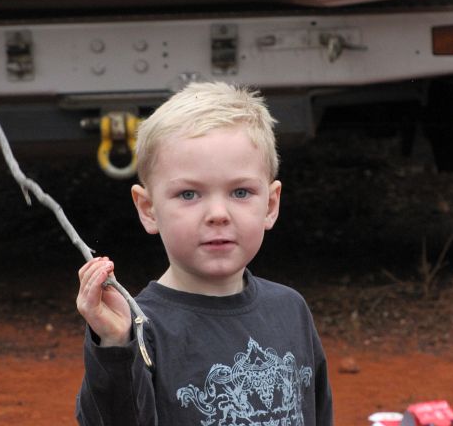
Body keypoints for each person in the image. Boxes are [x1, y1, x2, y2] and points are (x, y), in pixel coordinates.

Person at [75, 81, 333, 425]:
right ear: (148, 209)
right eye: (189, 194)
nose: (218, 214)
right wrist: (113, 346)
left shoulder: (290, 309)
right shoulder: (138, 328)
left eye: (240, 192)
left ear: (271, 205)